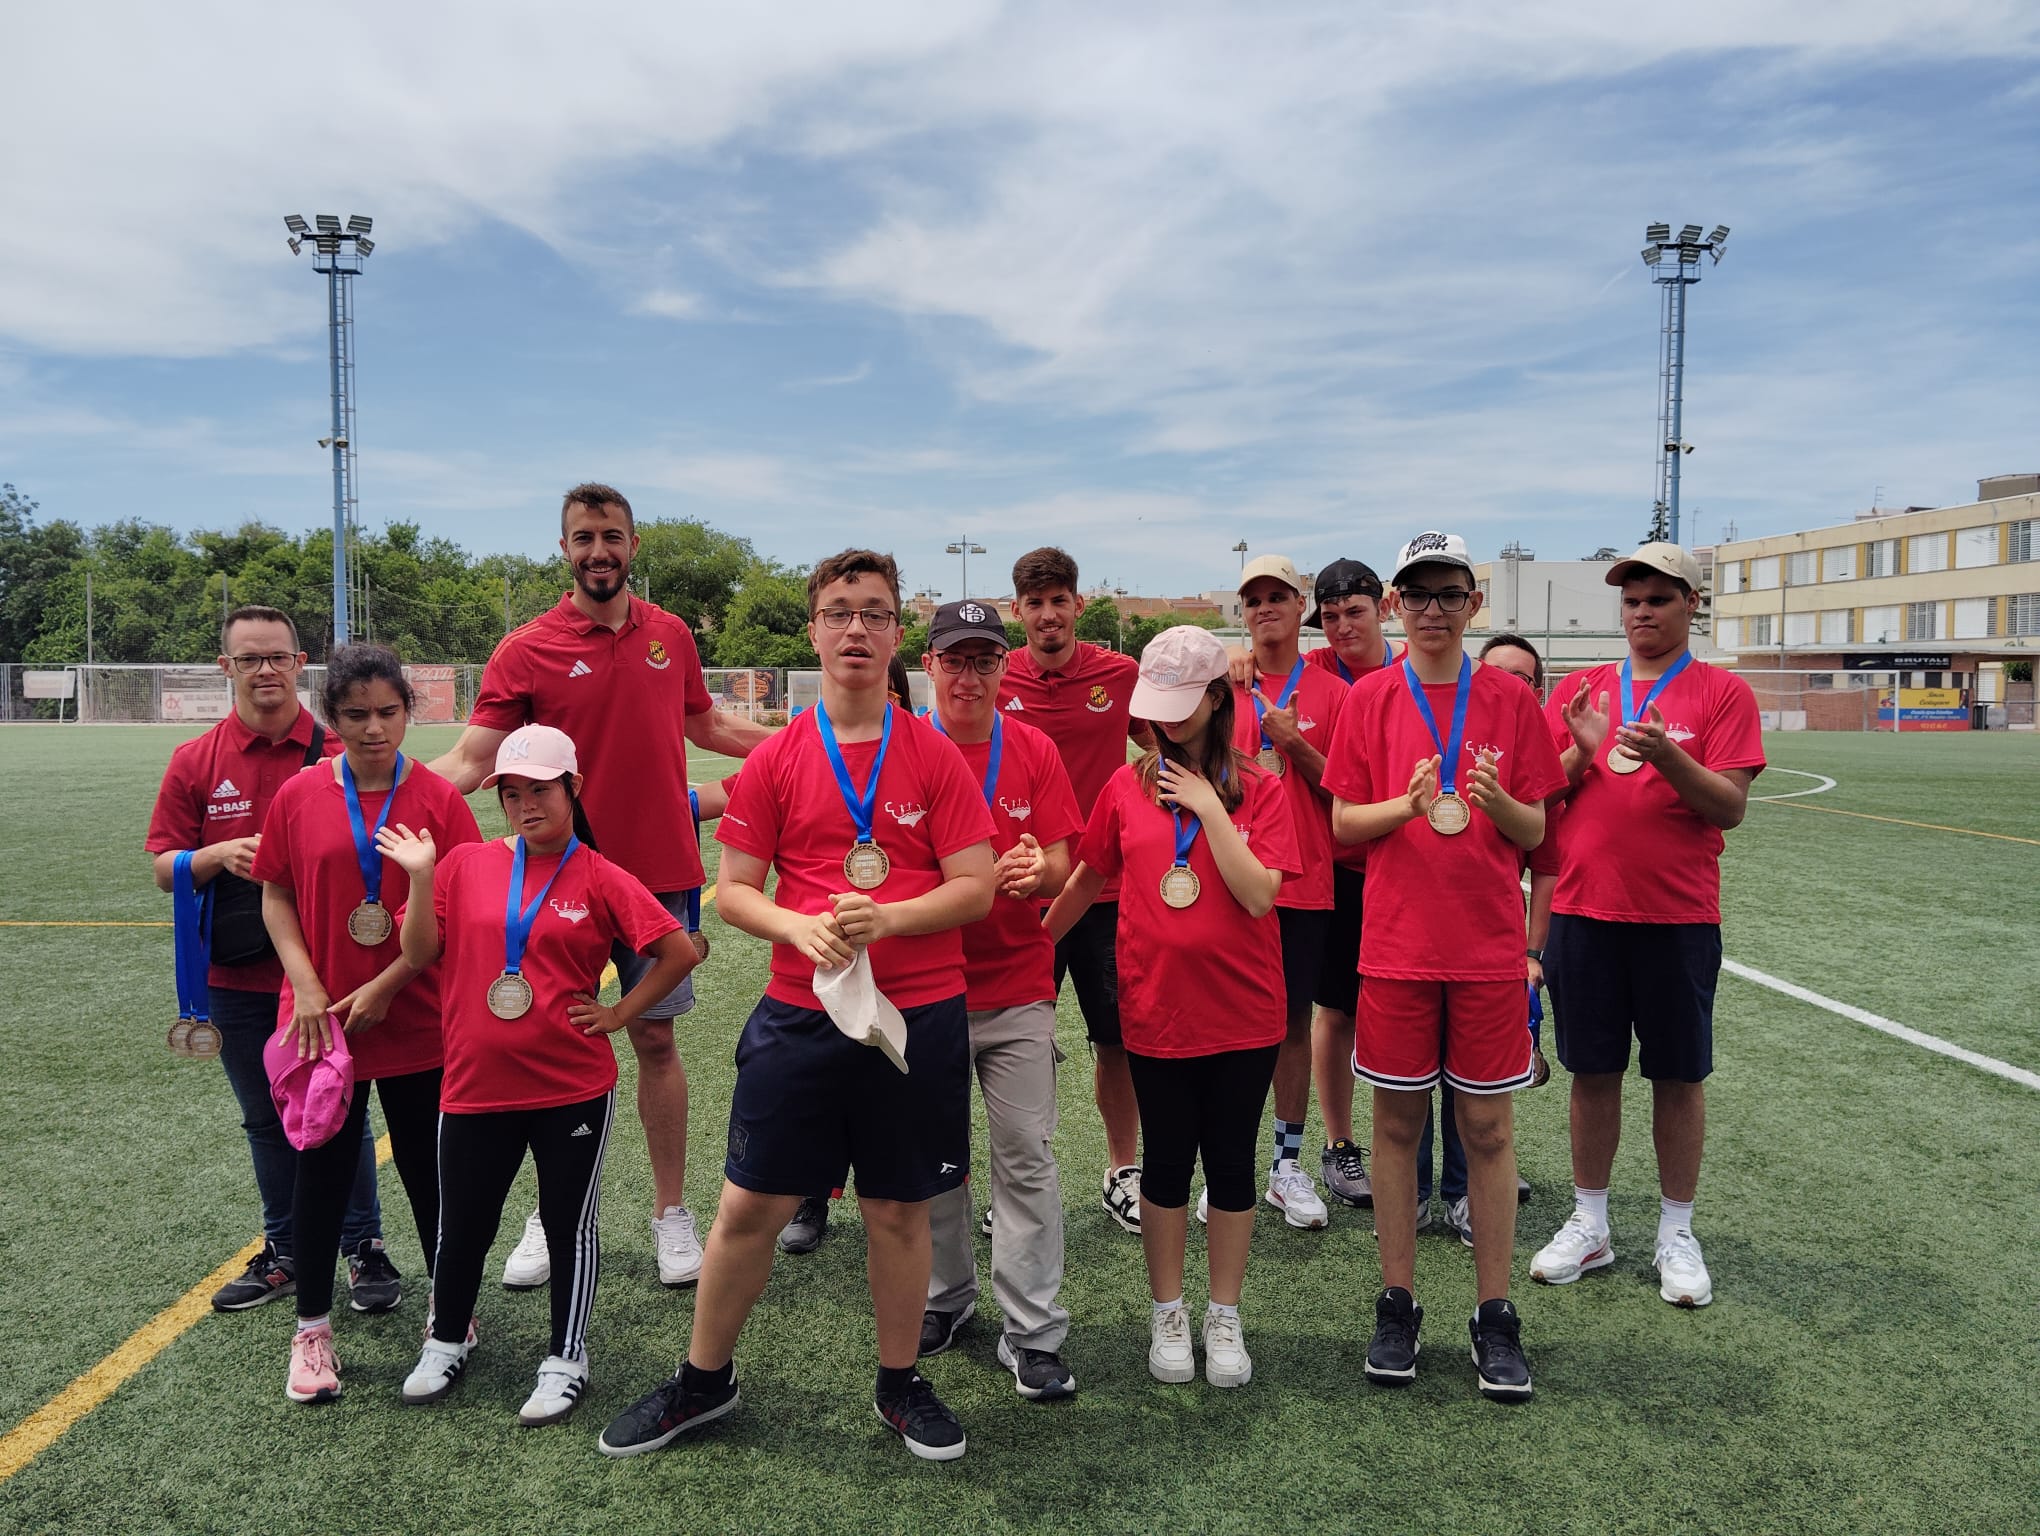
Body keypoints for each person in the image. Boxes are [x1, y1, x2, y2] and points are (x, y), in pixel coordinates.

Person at [600, 549, 995, 1463]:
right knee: (748, 1207)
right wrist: (798, 924)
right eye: (839, 611)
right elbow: (736, 891)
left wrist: (888, 917)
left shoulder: (933, 753)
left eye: (875, 612)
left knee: (898, 1211)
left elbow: (975, 887)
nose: (857, 627)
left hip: (915, 1017)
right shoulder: (778, 756)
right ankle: (704, 1381)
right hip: (799, 1013)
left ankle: (900, 1384)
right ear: (814, 632)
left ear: (895, 637)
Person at [430, 483, 773, 1291]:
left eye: (611, 536)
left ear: (633, 545)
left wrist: (807, 740)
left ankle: (670, 1213)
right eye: (583, 538)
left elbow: (708, 727)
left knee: (654, 1039)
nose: (598, 551)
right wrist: (382, 800)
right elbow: (474, 760)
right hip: (554, 880)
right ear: (564, 549)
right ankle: (547, 1215)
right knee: (541, 1046)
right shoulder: (526, 648)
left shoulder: (671, 635)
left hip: (659, 872)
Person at [378, 725, 697, 1424]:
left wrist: (620, 1013)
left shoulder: (601, 876)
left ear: (573, 789)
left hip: (570, 1088)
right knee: (462, 1223)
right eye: (512, 794)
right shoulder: (463, 866)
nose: (526, 806)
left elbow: (678, 951)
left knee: (567, 1225)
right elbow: (420, 952)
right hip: (473, 1085)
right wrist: (422, 876)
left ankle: (567, 1356)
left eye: (541, 790)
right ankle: (445, 1338)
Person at [1322, 532, 1566, 1401]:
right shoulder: (1370, 699)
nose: (1433, 609)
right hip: (1396, 949)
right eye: (1418, 594)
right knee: (1395, 1129)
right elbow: (1343, 825)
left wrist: (1500, 805)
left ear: (1474, 604)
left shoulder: (1508, 699)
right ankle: (1398, 1303)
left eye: (1449, 593)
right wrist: (1407, 805)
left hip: (1488, 952)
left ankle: (1495, 1314)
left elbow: (1538, 832)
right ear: (1397, 604)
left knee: (1489, 1131)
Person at [1047, 626, 1299, 1391]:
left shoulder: (1263, 789)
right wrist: (1035, 945)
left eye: (1180, 706)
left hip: (1244, 1015)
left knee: (1230, 1163)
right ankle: (1168, 1312)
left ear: (1218, 699)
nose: (1162, 722)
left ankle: (1224, 1313)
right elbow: (1087, 878)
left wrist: (1210, 809)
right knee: (1163, 1164)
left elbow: (1258, 896)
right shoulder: (1124, 788)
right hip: (1155, 1011)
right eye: (1155, 707)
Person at [1529, 543, 1763, 1309]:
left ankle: (1676, 1231)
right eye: (1631, 601)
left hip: (1677, 917)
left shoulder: (1722, 692)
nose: (1641, 612)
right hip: (1583, 911)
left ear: (1691, 604)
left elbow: (1729, 806)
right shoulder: (1583, 689)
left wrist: (1664, 757)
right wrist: (1582, 752)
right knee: (1592, 1072)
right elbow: (1538, 795)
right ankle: (1590, 1221)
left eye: (1658, 599)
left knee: (1678, 1076)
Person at [144, 606, 390, 1314]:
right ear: (226, 667)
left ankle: (364, 1248)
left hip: (330, 974)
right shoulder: (196, 760)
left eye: (278, 657)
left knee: (340, 1112)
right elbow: (163, 867)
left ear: (300, 663)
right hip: (239, 976)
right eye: (249, 659)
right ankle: (283, 1250)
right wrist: (217, 854)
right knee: (266, 1119)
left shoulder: (341, 746)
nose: (265, 671)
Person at [253, 644, 482, 1404]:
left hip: (417, 1017)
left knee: (430, 1173)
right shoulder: (300, 795)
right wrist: (305, 985)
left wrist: (385, 987)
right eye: (356, 715)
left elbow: (458, 913)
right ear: (332, 717)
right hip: (322, 1024)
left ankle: (452, 1310)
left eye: (388, 712)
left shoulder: (440, 801)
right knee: (320, 1178)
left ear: (409, 712)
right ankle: (312, 1330)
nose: (374, 729)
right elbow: (276, 894)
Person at [913, 601, 1083, 1399]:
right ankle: (946, 1297)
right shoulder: (902, 747)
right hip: (925, 987)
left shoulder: (1033, 748)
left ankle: (1035, 1332)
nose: (969, 677)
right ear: (928, 665)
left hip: (1017, 986)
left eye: (985, 661)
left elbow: (1064, 863)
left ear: (1003, 669)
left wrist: (1037, 872)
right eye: (955, 660)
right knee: (935, 1159)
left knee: (1025, 1156)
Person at [998, 548, 1149, 1236]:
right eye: (1035, 603)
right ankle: (1017, 1182)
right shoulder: (995, 674)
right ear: (1017, 610)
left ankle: (1123, 1170)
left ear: (1078, 605)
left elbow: (1162, 740)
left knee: (1114, 1039)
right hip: (1018, 893)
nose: (1048, 614)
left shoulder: (1119, 674)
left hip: (1106, 894)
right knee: (1015, 1041)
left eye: (1059, 600)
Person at [776, 648, 922, 1255]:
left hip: (909, 982)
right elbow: (730, 798)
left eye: (893, 699)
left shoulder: (921, 755)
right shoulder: (801, 753)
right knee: (818, 1109)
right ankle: (813, 1192)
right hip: (822, 977)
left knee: (897, 1143)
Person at [1223, 556, 1346, 1228]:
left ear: (1302, 606)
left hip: (1302, 884)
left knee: (1293, 1025)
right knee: (1230, 1026)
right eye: (1253, 600)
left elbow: (1350, 793)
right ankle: (1229, 1163)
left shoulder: (1335, 693)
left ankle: (1287, 1165)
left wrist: (1294, 745)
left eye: (1278, 596)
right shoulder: (1223, 684)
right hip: (1229, 881)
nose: (1265, 608)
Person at [1426, 633, 1556, 1242]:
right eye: (1498, 670)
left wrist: (1531, 952)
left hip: (1487, 942)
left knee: (1478, 1098)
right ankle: (1417, 1194)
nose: (1507, 683)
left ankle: (1463, 1191)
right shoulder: (1408, 702)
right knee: (1406, 1096)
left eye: (1522, 677)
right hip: (1413, 938)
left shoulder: (1518, 722)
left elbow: (1542, 846)